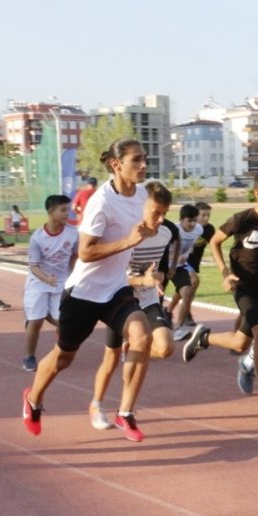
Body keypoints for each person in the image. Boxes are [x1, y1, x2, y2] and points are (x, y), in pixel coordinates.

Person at [22, 139, 156, 442]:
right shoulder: (101, 201)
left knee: (142, 337)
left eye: (144, 159)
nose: (143, 165)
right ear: (116, 164)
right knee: (64, 358)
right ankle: (33, 400)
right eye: (136, 160)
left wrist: (151, 231)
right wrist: (128, 242)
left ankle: (126, 413)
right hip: (83, 292)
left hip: (116, 290)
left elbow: (143, 227)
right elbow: (85, 252)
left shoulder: (143, 194)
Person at [182, 171, 258, 417]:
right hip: (242, 285)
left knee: (241, 342)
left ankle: (204, 338)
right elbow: (215, 242)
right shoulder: (242, 219)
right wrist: (224, 273)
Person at [89, 181, 178, 429]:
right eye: (155, 212)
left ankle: (125, 407)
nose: (160, 219)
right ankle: (96, 403)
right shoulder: (125, 234)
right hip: (119, 298)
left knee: (165, 347)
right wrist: (142, 279)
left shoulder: (166, 233)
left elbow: (156, 270)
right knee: (111, 357)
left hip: (147, 298)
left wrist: (157, 278)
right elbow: (111, 273)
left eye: (165, 213)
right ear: (140, 206)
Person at [22, 194, 78, 372]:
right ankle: (29, 357)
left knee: (64, 322)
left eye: (67, 209)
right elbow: (34, 266)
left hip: (60, 283)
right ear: (51, 212)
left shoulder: (73, 233)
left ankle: (59, 354)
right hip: (38, 282)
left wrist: (75, 276)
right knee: (36, 320)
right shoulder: (37, 238)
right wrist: (46, 279)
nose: (66, 213)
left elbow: (75, 256)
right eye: (62, 210)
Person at [167, 201, 213, 327]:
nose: (206, 218)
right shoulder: (175, 230)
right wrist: (177, 256)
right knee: (193, 282)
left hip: (186, 263)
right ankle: (175, 313)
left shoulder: (203, 229)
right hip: (171, 263)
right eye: (203, 215)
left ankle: (174, 317)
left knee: (187, 289)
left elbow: (195, 245)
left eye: (208, 215)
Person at [170, 204, 204, 341]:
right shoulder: (173, 229)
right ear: (181, 220)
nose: (193, 224)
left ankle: (178, 328)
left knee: (188, 290)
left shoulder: (199, 229)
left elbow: (191, 246)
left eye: (195, 220)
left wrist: (187, 253)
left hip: (179, 266)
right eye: (189, 220)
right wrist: (174, 257)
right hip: (163, 265)